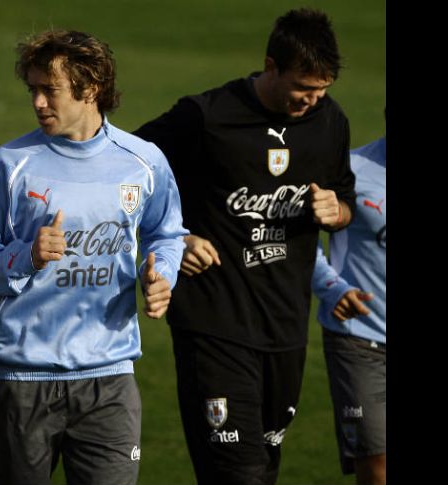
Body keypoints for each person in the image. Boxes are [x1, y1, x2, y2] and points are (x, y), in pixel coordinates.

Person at [0, 30, 187, 485]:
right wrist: (25, 257)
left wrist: (162, 274)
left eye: (48, 90)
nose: (37, 102)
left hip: (110, 379)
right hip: (22, 379)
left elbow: (166, 233)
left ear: (90, 87)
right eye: (32, 90)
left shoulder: (143, 162)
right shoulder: (10, 163)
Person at [133, 8, 356, 485]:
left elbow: (344, 198)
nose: (311, 100)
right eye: (302, 88)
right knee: (238, 474)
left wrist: (337, 211)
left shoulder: (331, 121)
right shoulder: (206, 116)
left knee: (263, 470)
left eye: (321, 91)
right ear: (270, 66)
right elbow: (123, 170)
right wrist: (176, 237)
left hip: (286, 327)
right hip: (214, 323)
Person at [312, 132, 386, 485]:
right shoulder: (351, 170)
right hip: (361, 339)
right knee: (377, 469)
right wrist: (331, 287)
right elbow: (299, 237)